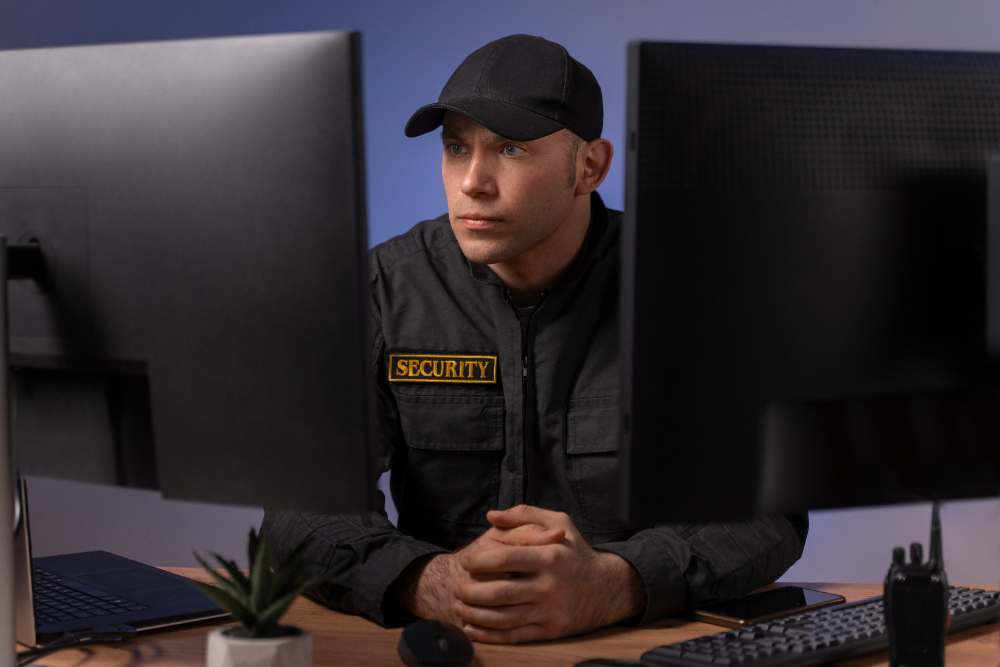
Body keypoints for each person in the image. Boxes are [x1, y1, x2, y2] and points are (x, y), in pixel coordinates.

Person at [261, 33, 807, 645]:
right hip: (440, 645)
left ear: (589, 167)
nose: (472, 182)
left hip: (632, 647)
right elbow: (298, 507)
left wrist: (614, 582)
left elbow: (769, 511)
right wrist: (433, 580)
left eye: (511, 149)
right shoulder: (379, 289)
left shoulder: (694, 295)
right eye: (455, 147)